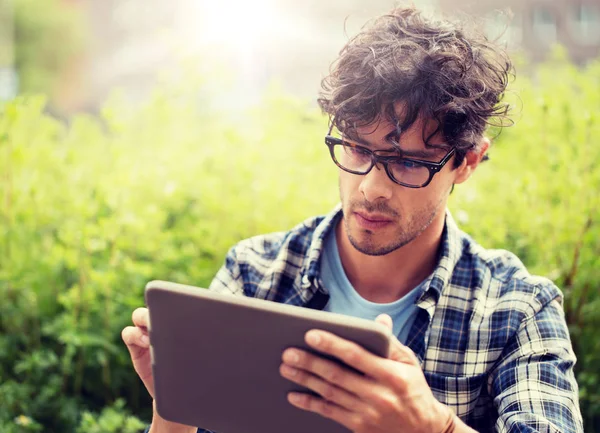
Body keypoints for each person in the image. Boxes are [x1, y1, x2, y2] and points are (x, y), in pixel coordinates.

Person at [121, 5, 583, 433]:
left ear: (467, 162)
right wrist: (174, 410)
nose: (370, 188)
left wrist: (432, 426)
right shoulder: (255, 274)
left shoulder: (519, 309)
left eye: (407, 162)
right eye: (358, 149)